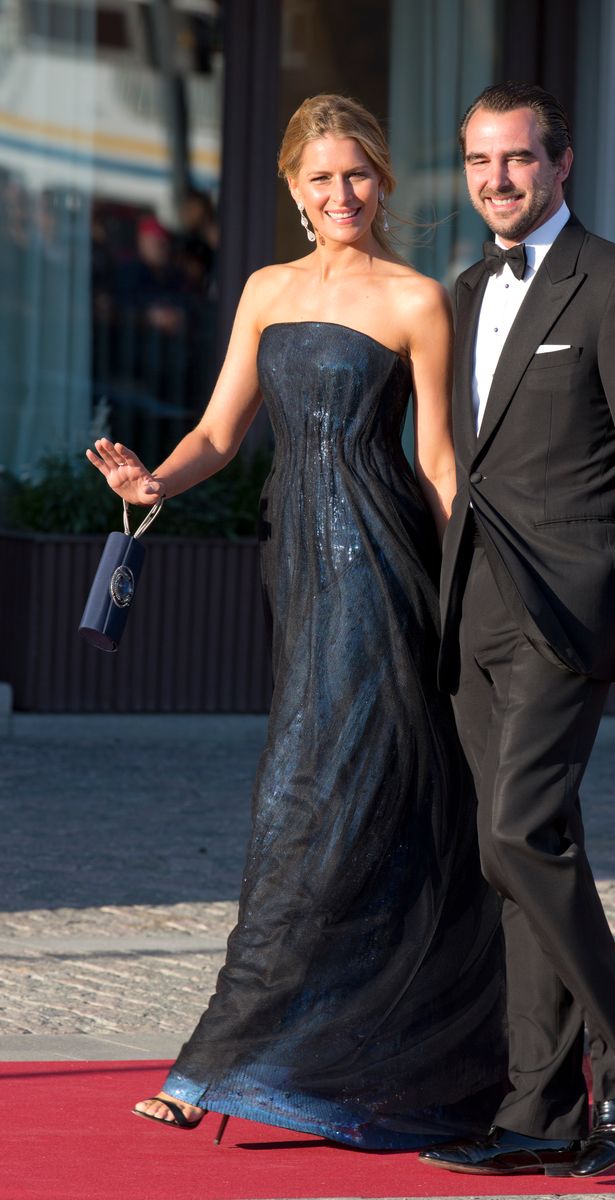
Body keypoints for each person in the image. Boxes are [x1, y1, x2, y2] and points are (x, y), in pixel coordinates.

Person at [86, 94, 506, 1150]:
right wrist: (153, 485)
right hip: (303, 579)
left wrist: (483, 601)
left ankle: (209, 1065)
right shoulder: (268, 291)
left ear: (383, 181)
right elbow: (218, 433)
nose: (340, 194)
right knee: (326, 808)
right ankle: (346, 1057)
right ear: (291, 189)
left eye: (356, 173)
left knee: (305, 811)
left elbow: (439, 464)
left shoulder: (417, 301)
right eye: (319, 178)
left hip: (382, 578)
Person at [419, 82, 615, 1178]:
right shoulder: (460, 290)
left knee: (516, 837)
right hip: (473, 608)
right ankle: (535, 1113)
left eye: (520, 159)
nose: (499, 179)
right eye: (481, 161)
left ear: (562, 163)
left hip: (567, 608)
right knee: (517, 861)